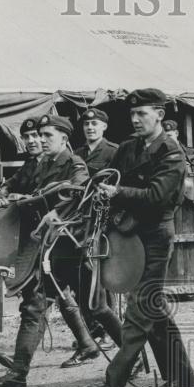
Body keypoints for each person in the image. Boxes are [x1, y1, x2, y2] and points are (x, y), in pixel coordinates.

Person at [85, 89, 194, 387]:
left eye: (142, 114)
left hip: (156, 236)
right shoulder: (128, 148)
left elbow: (157, 197)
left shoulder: (172, 153)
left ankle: (113, 384)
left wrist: (117, 191)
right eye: (132, 115)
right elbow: (106, 177)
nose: (135, 120)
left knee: (139, 309)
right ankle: (182, 375)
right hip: (128, 235)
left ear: (159, 115)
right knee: (153, 307)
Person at [0, 115, 95, 387]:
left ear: (64, 138)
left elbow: (79, 192)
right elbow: (23, 184)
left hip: (68, 248)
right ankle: (18, 375)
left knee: (97, 308)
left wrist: (39, 201)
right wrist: (9, 192)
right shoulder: (41, 163)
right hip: (44, 247)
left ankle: (129, 357)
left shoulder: (74, 164)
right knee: (35, 306)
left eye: (46, 135)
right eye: (38, 136)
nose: (39, 141)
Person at [73, 107, 122, 352]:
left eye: (95, 124)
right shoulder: (77, 153)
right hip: (81, 220)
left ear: (104, 127)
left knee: (101, 274)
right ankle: (92, 329)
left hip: (104, 219)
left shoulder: (114, 152)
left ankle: (107, 331)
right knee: (83, 274)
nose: (90, 128)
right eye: (86, 125)